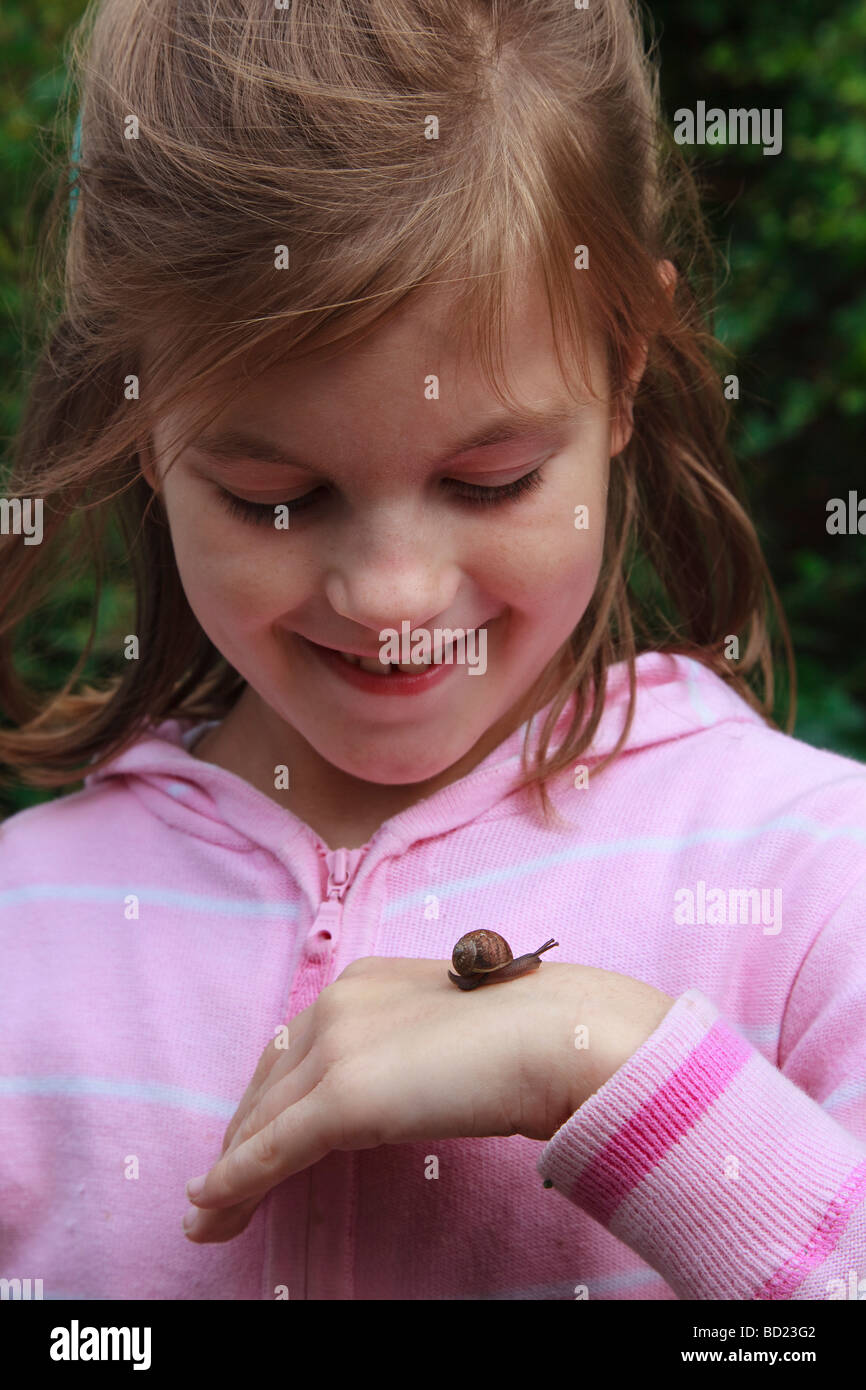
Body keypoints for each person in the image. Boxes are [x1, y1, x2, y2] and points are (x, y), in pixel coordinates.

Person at [1, 0, 864, 1301]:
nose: (391, 592)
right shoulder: (29, 937)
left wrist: (619, 1070)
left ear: (623, 373)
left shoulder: (811, 891)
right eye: (275, 496)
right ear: (137, 415)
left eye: (489, 478)